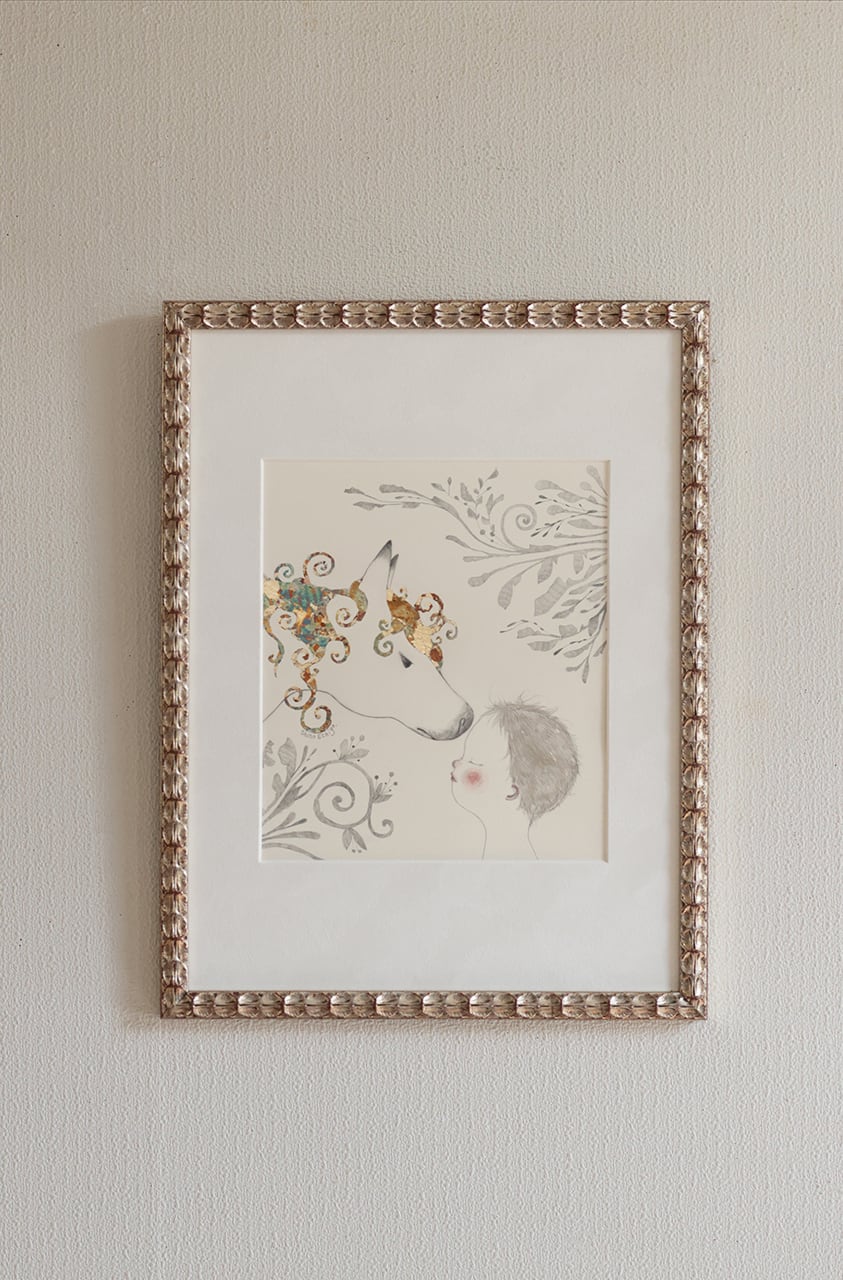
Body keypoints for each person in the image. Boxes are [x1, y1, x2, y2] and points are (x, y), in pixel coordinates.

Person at [450, 698, 578, 858]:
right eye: (464, 756)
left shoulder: (508, 859)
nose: (456, 762)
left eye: (473, 762)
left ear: (512, 791)